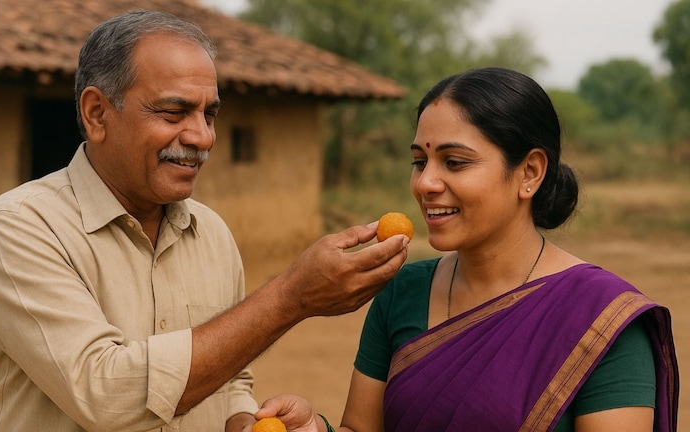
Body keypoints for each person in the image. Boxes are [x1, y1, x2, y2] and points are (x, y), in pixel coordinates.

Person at [0, 10, 409, 432]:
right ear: (97, 114)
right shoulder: (19, 228)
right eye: (173, 113)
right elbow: (102, 392)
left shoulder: (211, 233)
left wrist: (241, 418)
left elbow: (231, 379)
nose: (202, 137)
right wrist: (290, 297)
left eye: (209, 114)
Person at [254, 67, 680, 431]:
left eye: (454, 162)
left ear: (529, 172)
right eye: (420, 161)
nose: (425, 183)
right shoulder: (401, 291)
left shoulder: (600, 320)